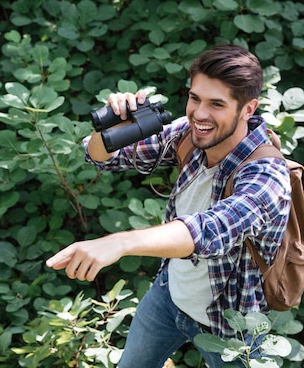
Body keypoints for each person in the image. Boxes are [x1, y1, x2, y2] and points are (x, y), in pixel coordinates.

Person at [46, 44, 291, 367]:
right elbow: (100, 157)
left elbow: (210, 230)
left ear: (247, 109)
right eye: (195, 98)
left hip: (232, 327)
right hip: (169, 295)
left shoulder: (266, 175)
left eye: (216, 104)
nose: (200, 114)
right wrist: (109, 131)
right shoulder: (188, 134)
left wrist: (118, 242)